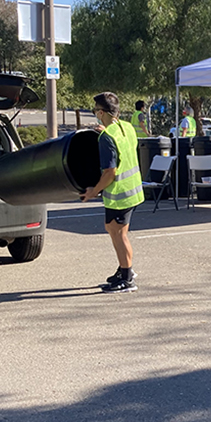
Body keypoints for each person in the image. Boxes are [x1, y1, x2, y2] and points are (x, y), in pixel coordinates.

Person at [80, 92, 144, 293]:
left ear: (100, 113)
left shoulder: (106, 138)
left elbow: (110, 172)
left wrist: (93, 192)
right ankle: (124, 269)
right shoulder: (126, 128)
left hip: (120, 194)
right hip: (133, 190)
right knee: (114, 229)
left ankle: (127, 278)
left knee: (118, 233)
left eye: (95, 111)